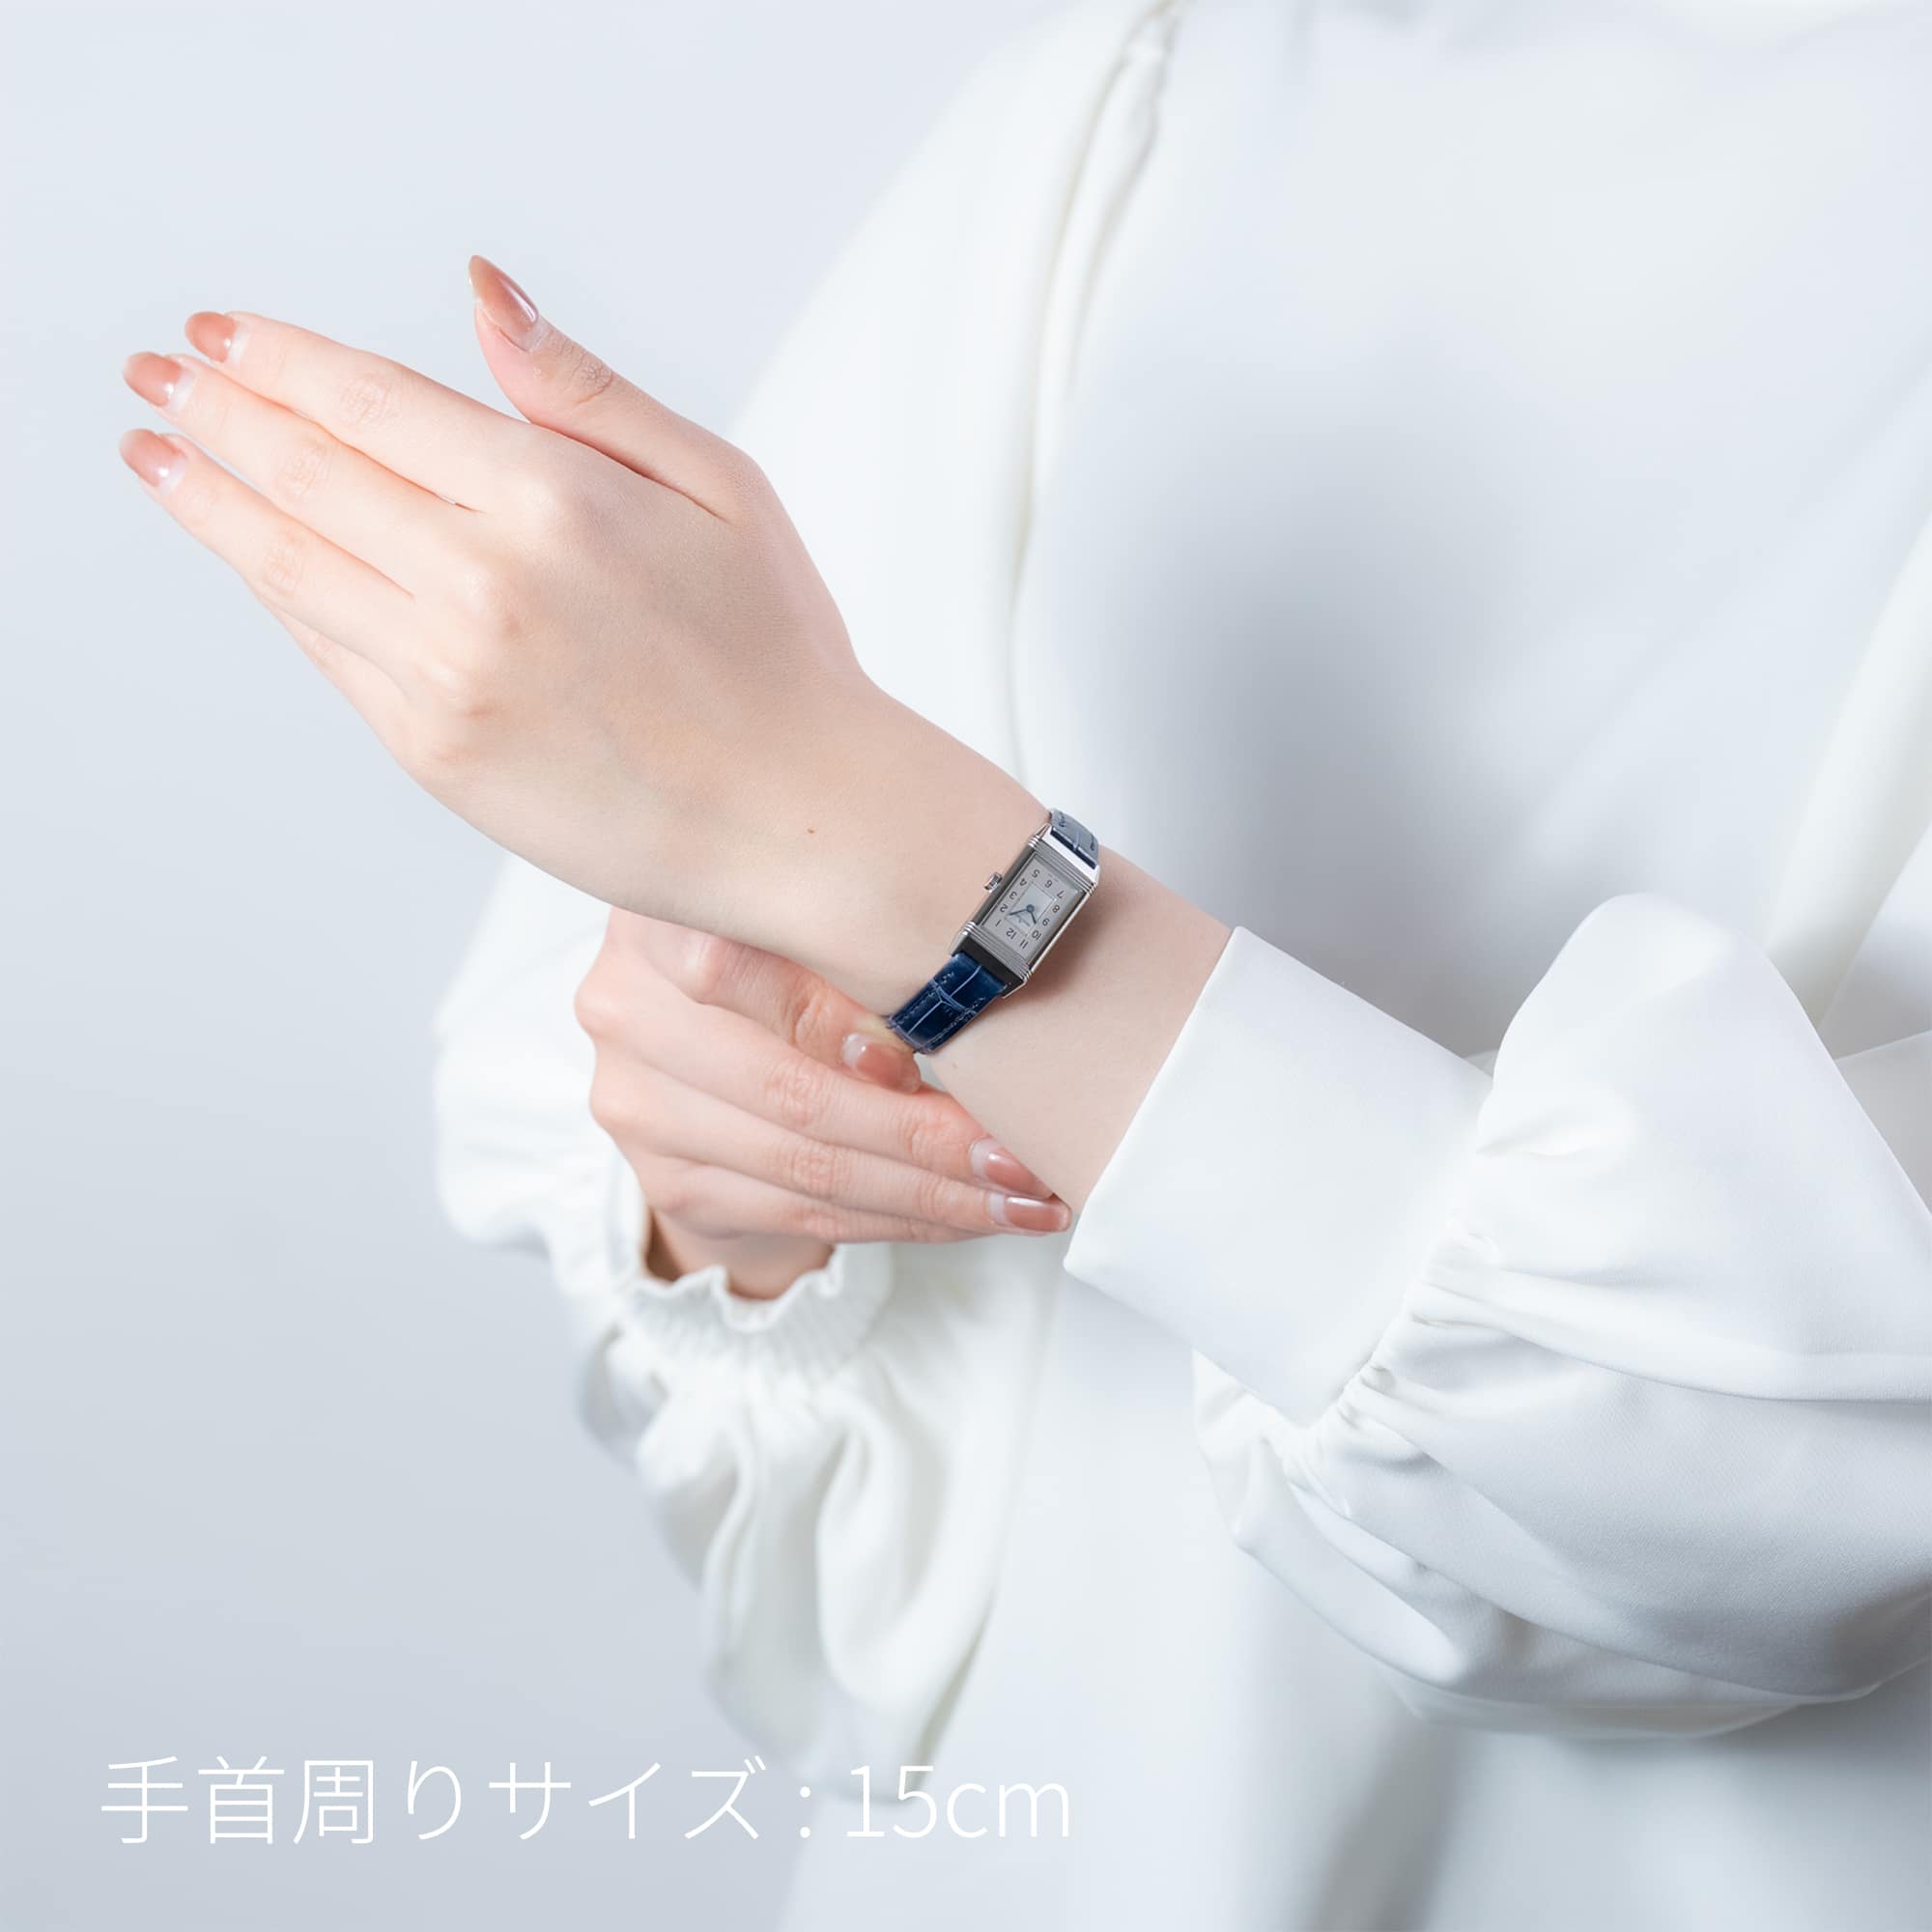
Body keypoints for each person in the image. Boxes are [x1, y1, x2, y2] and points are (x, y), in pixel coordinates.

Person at [120, 1, 1930, 1925]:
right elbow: (822, 1445)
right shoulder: (1145, 93)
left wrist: (863, 846)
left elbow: (1776, 1467)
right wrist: (740, 1162)